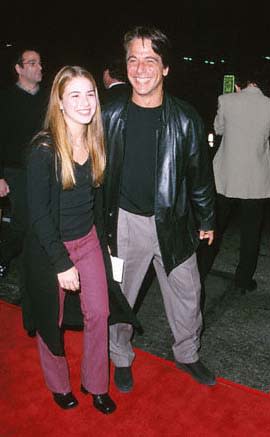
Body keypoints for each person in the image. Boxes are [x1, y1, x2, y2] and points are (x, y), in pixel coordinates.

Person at [102, 26, 216, 392]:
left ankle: (187, 353)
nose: (140, 68)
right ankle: (119, 355)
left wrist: (208, 218)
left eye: (150, 60)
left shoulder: (186, 119)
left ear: (165, 68)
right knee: (120, 296)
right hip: (124, 223)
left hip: (174, 220)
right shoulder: (110, 115)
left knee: (188, 294)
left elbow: (200, 176)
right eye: (133, 59)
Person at [23, 65, 127, 414]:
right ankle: (58, 385)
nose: (85, 102)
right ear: (61, 103)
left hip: (89, 240)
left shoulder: (96, 139)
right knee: (49, 319)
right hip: (50, 248)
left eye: (90, 93)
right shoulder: (44, 148)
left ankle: (96, 384)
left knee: (100, 312)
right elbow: (37, 214)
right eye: (75, 96)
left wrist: (105, 240)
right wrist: (61, 262)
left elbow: (94, 200)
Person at [197, 71, 270, 293]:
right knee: (251, 233)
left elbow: (218, 129)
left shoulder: (225, 100)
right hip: (257, 179)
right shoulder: (268, 104)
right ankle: (243, 280)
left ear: (238, 84)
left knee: (214, 227)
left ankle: (200, 271)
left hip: (225, 177)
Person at [0, 48, 47, 280]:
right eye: (32, 63)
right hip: (15, 171)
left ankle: (34, 266)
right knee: (22, 221)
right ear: (19, 69)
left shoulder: (48, 98)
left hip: (44, 170)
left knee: (42, 219)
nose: (39, 67)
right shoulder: (6, 99)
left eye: (39, 62)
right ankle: (3, 258)